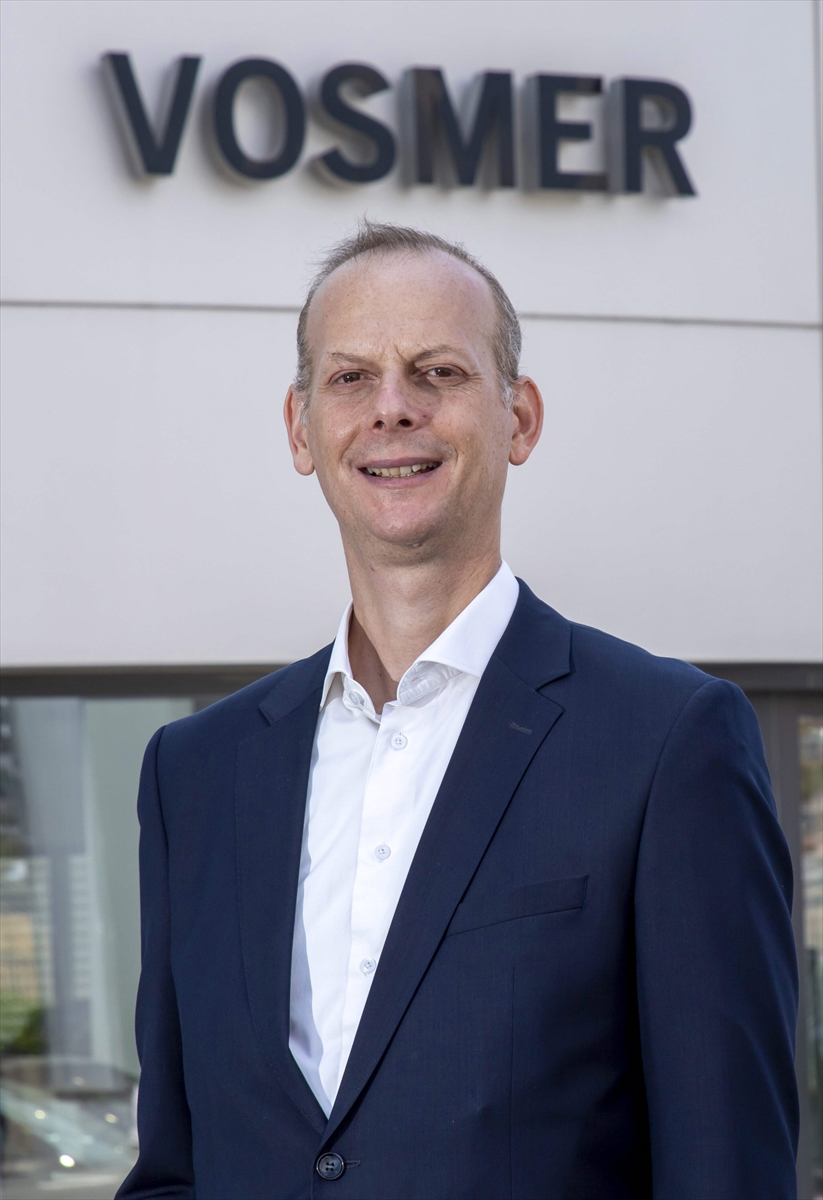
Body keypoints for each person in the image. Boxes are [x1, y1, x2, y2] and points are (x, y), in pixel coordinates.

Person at [117, 222, 798, 1200]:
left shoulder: (666, 744)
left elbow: (724, 1170)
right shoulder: (194, 773)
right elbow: (173, 1169)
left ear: (518, 418)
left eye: (437, 372)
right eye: (351, 377)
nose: (392, 407)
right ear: (300, 429)